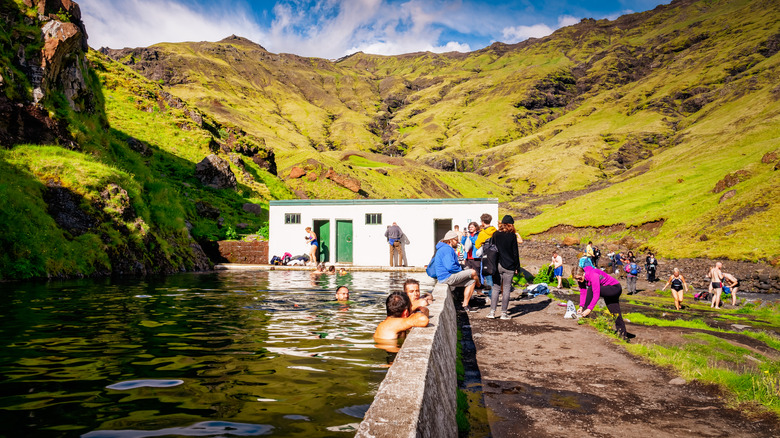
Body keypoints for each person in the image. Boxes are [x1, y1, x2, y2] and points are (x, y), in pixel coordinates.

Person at [573, 265, 632, 341]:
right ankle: (623, 335)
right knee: (615, 313)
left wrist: (589, 309)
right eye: (576, 279)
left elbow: (596, 294)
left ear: (583, 273)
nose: (578, 280)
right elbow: (583, 292)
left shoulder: (593, 275)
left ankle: (584, 316)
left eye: (579, 278)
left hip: (615, 288)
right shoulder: (582, 279)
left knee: (591, 290)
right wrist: (581, 306)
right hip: (607, 289)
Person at [434, 230, 479, 311]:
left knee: (471, 281)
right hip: (447, 277)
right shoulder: (447, 249)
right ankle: (480, 286)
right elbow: (450, 267)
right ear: (450, 240)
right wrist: (460, 270)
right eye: (456, 240)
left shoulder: (443, 248)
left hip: (444, 277)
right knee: (473, 272)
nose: (458, 242)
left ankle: (465, 306)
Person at [487, 215, 520, 320]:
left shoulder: (495, 234)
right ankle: (504, 313)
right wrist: (517, 267)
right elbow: (515, 253)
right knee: (506, 289)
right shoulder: (512, 236)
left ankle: (492, 312)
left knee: (496, 288)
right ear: (511, 225)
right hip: (509, 266)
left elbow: (492, 249)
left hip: (497, 265)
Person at [461, 222, 482, 288]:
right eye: (469, 227)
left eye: (472, 227)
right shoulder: (468, 234)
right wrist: (464, 236)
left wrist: (470, 237)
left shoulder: (478, 234)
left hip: (475, 257)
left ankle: (479, 288)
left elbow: (476, 242)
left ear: (476, 227)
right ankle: (470, 288)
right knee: (468, 274)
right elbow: (462, 243)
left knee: (477, 273)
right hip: (468, 257)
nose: (470, 229)